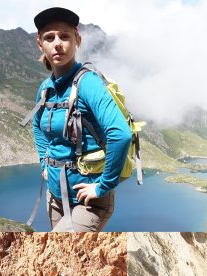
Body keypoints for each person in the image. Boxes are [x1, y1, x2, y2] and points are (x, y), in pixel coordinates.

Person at [31, 7, 132, 232]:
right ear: (40, 44)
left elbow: (121, 134)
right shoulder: (46, 88)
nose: (57, 43)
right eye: (49, 37)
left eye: (64, 36)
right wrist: (44, 162)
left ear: (77, 40)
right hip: (55, 197)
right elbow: (37, 126)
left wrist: (103, 186)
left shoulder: (88, 83)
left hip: (90, 201)